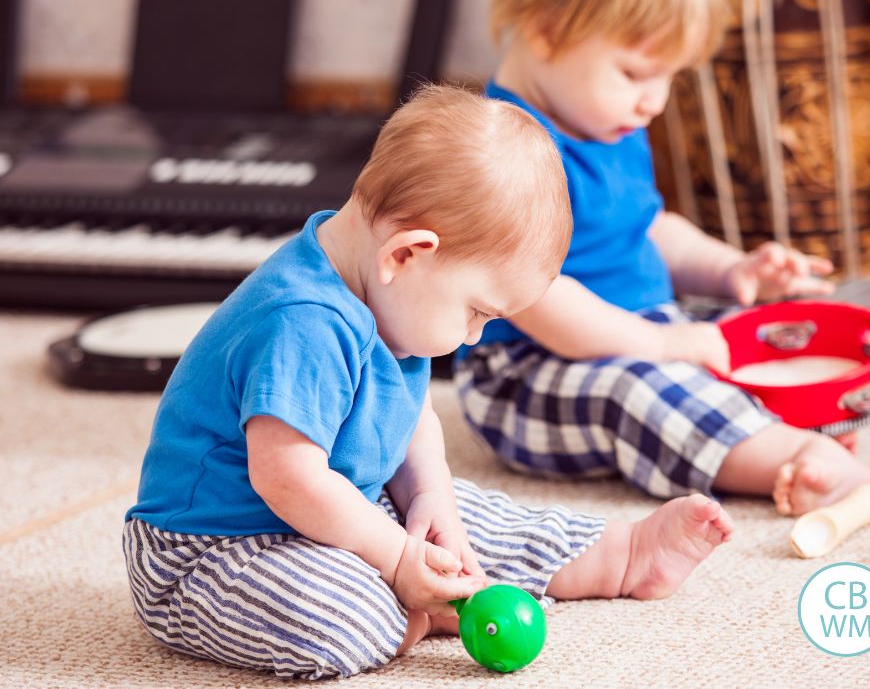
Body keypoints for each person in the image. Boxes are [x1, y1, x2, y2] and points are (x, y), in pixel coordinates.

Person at [123, 85, 734, 681]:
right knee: (341, 615)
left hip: (337, 506)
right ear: (407, 254)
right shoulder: (302, 322)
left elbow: (409, 416)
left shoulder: (386, 295)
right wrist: (395, 559)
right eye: (477, 312)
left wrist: (430, 497)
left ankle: (619, 556)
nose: (472, 336)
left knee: (469, 520)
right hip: (214, 551)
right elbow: (287, 476)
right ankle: (410, 608)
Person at [454, 0, 870, 519]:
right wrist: (661, 343)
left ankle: (766, 422)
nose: (654, 101)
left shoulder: (609, 123)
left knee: (741, 336)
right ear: (545, 28)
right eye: (635, 73)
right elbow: (540, 300)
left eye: (669, 77)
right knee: (636, 389)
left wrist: (731, 269)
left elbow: (648, 227)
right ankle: (784, 457)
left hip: (636, 327)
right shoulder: (502, 151)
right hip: (525, 370)